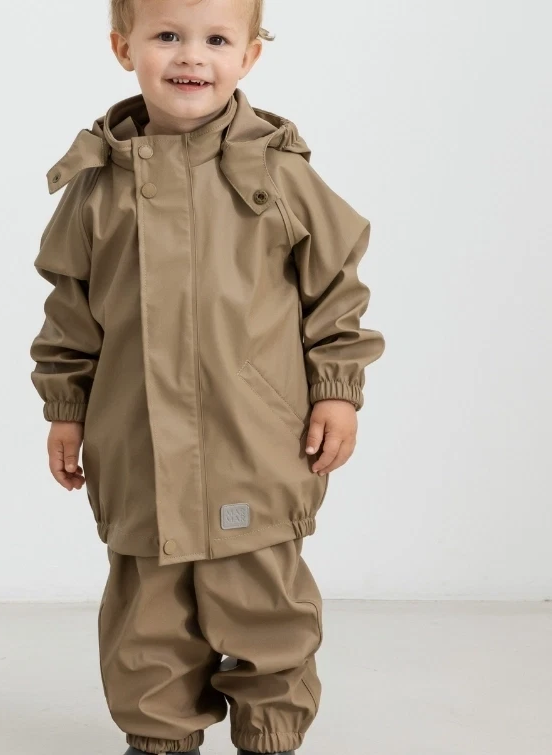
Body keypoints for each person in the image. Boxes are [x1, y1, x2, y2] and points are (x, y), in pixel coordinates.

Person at [28, 0, 385, 752]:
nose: (192, 56)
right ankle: (158, 740)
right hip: (138, 446)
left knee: (264, 607)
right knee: (148, 621)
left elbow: (335, 290)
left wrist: (337, 390)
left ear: (249, 56)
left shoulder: (275, 174)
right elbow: (71, 311)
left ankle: (270, 736)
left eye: (216, 39)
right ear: (123, 48)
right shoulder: (97, 187)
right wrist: (66, 406)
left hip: (253, 444)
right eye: (167, 36)